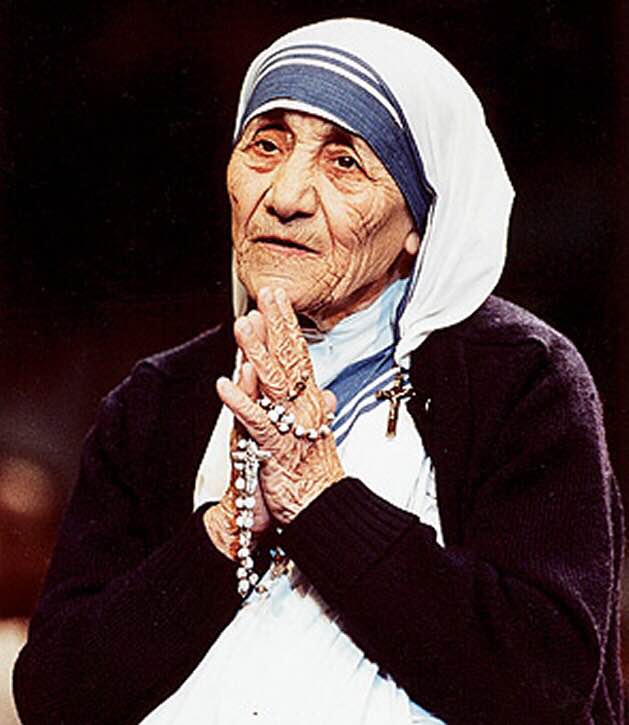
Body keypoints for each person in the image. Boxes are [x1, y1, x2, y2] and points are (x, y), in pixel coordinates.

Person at [13, 18, 624, 725]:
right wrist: (226, 533)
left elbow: (542, 683)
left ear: (419, 221)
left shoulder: (520, 377)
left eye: (344, 163)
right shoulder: (160, 400)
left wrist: (318, 498)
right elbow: (56, 697)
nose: (286, 195)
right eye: (266, 146)